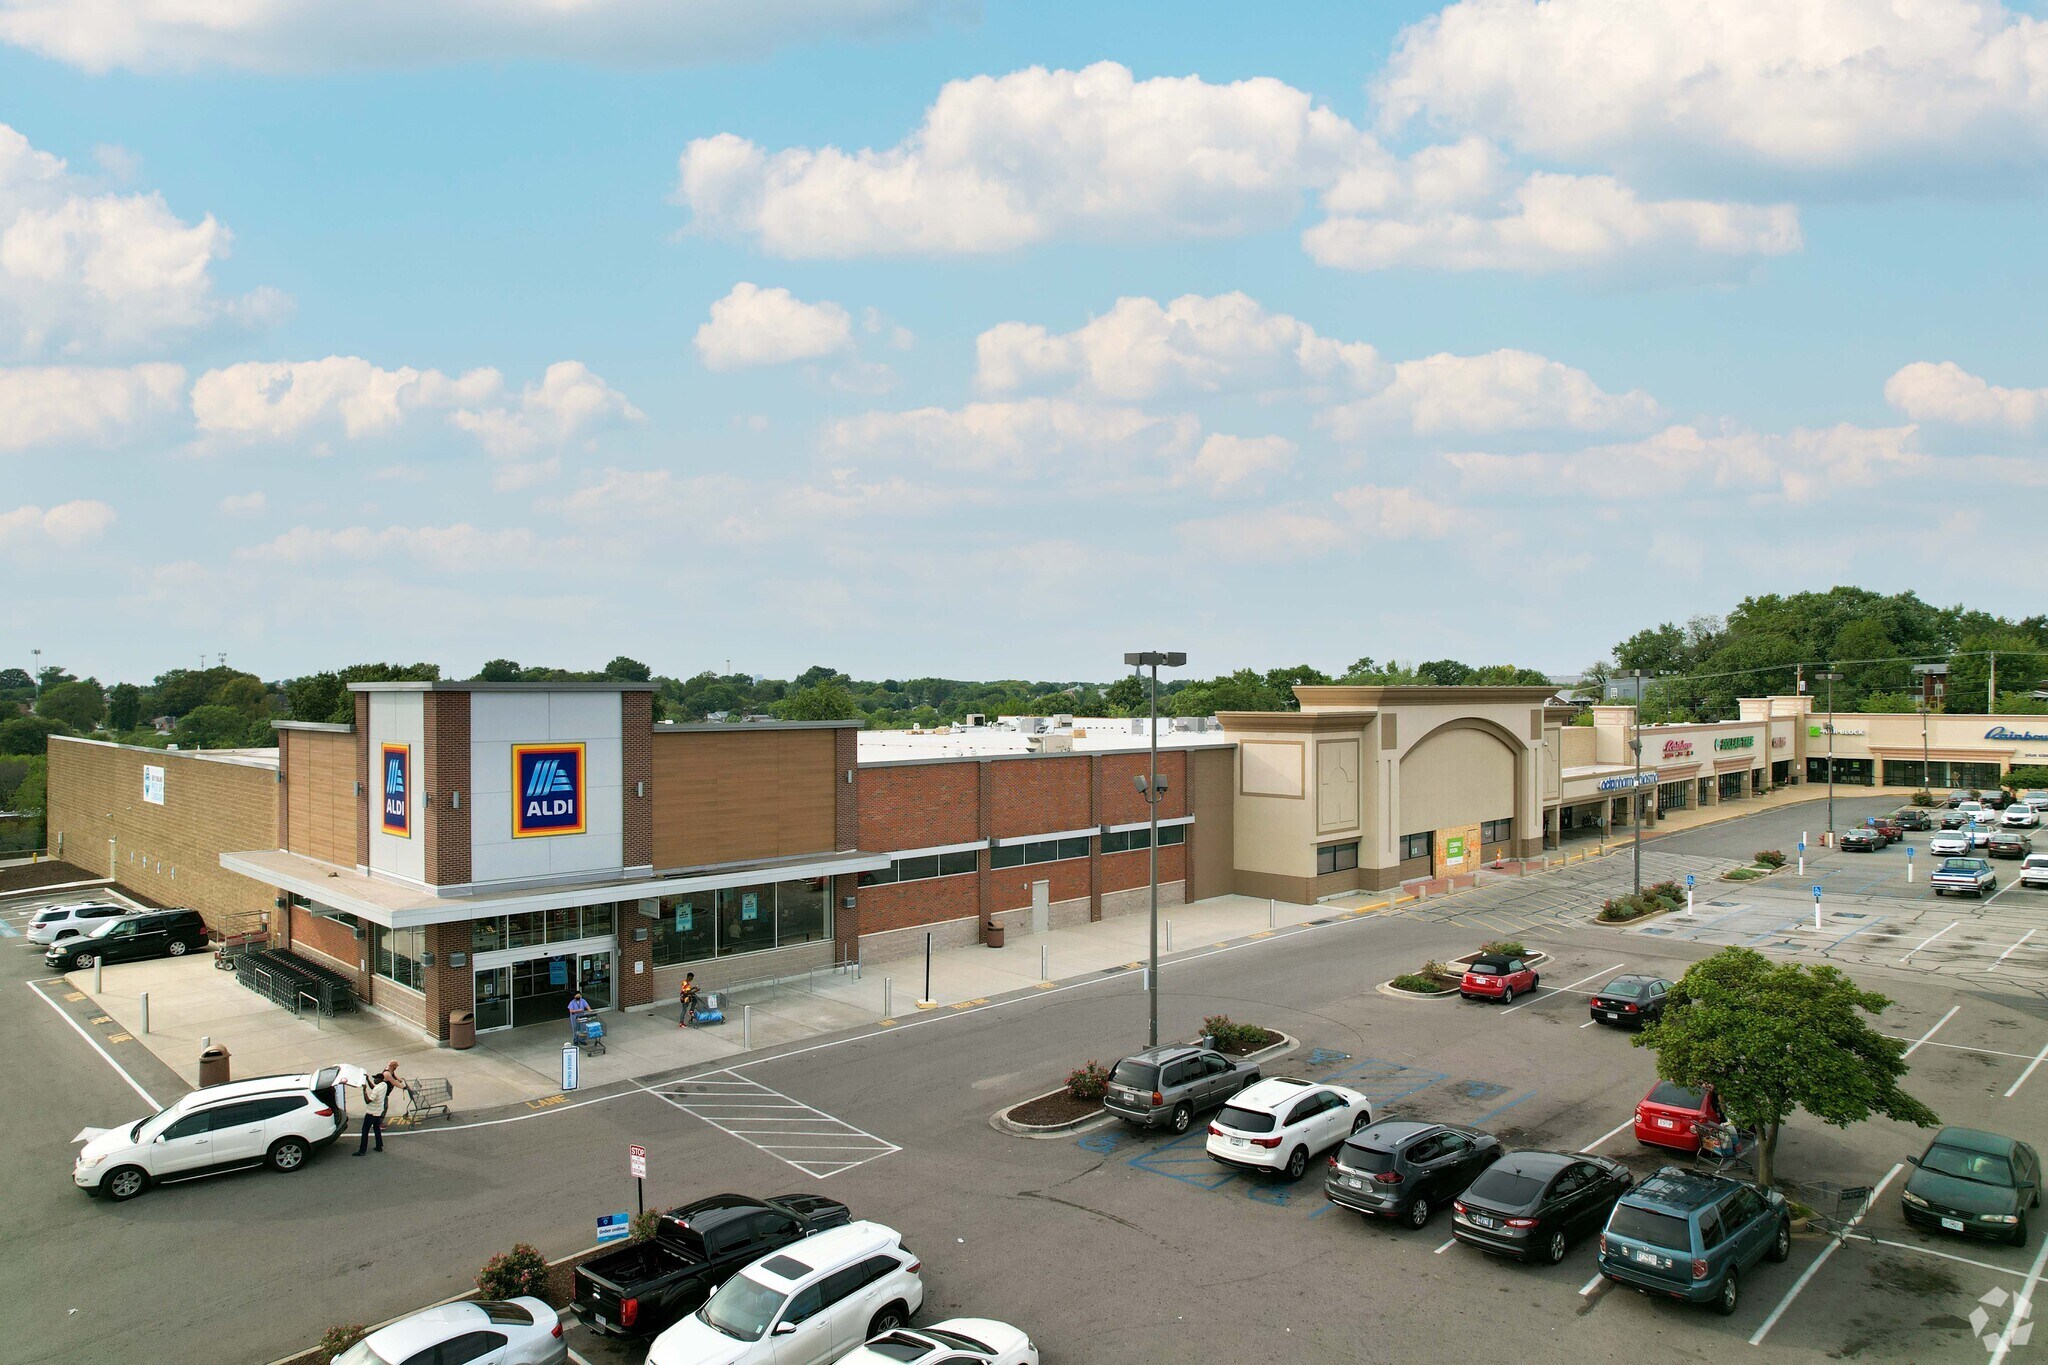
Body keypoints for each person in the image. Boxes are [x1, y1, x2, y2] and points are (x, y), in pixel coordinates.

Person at [355, 1061, 398, 1155]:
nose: (374, 1080)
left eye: (375, 1079)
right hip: (378, 1111)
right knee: (376, 1129)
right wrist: (367, 1080)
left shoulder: (377, 1089)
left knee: (365, 1130)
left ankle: (362, 1151)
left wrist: (364, 1091)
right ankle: (379, 1146)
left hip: (371, 1112)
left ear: (380, 1079)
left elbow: (368, 1101)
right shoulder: (384, 1085)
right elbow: (373, 1087)